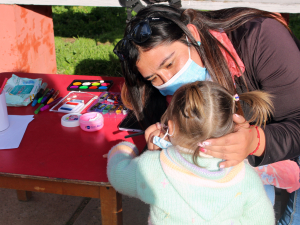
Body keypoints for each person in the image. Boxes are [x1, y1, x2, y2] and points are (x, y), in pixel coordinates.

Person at [113, 5, 300, 224]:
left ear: (191, 34)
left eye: (171, 64)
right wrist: (159, 150)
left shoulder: (261, 38)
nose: (168, 81)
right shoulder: (158, 92)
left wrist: (256, 142)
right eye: (153, 78)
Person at [107, 81, 275, 224]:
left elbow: (119, 177)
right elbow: (263, 220)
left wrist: (123, 149)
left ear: (170, 128)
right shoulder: (245, 177)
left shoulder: (154, 166)